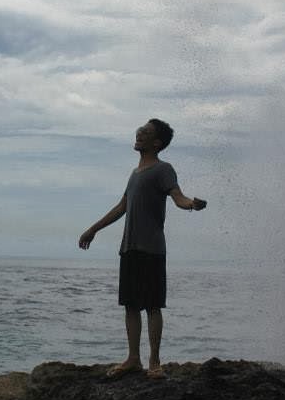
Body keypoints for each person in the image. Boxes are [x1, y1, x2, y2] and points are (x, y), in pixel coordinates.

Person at [78, 118, 206, 379]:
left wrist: (191, 204)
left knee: (153, 306)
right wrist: (93, 228)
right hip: (130, 247)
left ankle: (155, 362)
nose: (138, 133)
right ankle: (133, 358)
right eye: (140, 130)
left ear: (156, 142)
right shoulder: (134, 174)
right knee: (130, 305)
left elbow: (177, 197)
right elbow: (121, 206)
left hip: (152, 248)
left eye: (145, 132)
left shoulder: (163, 169)